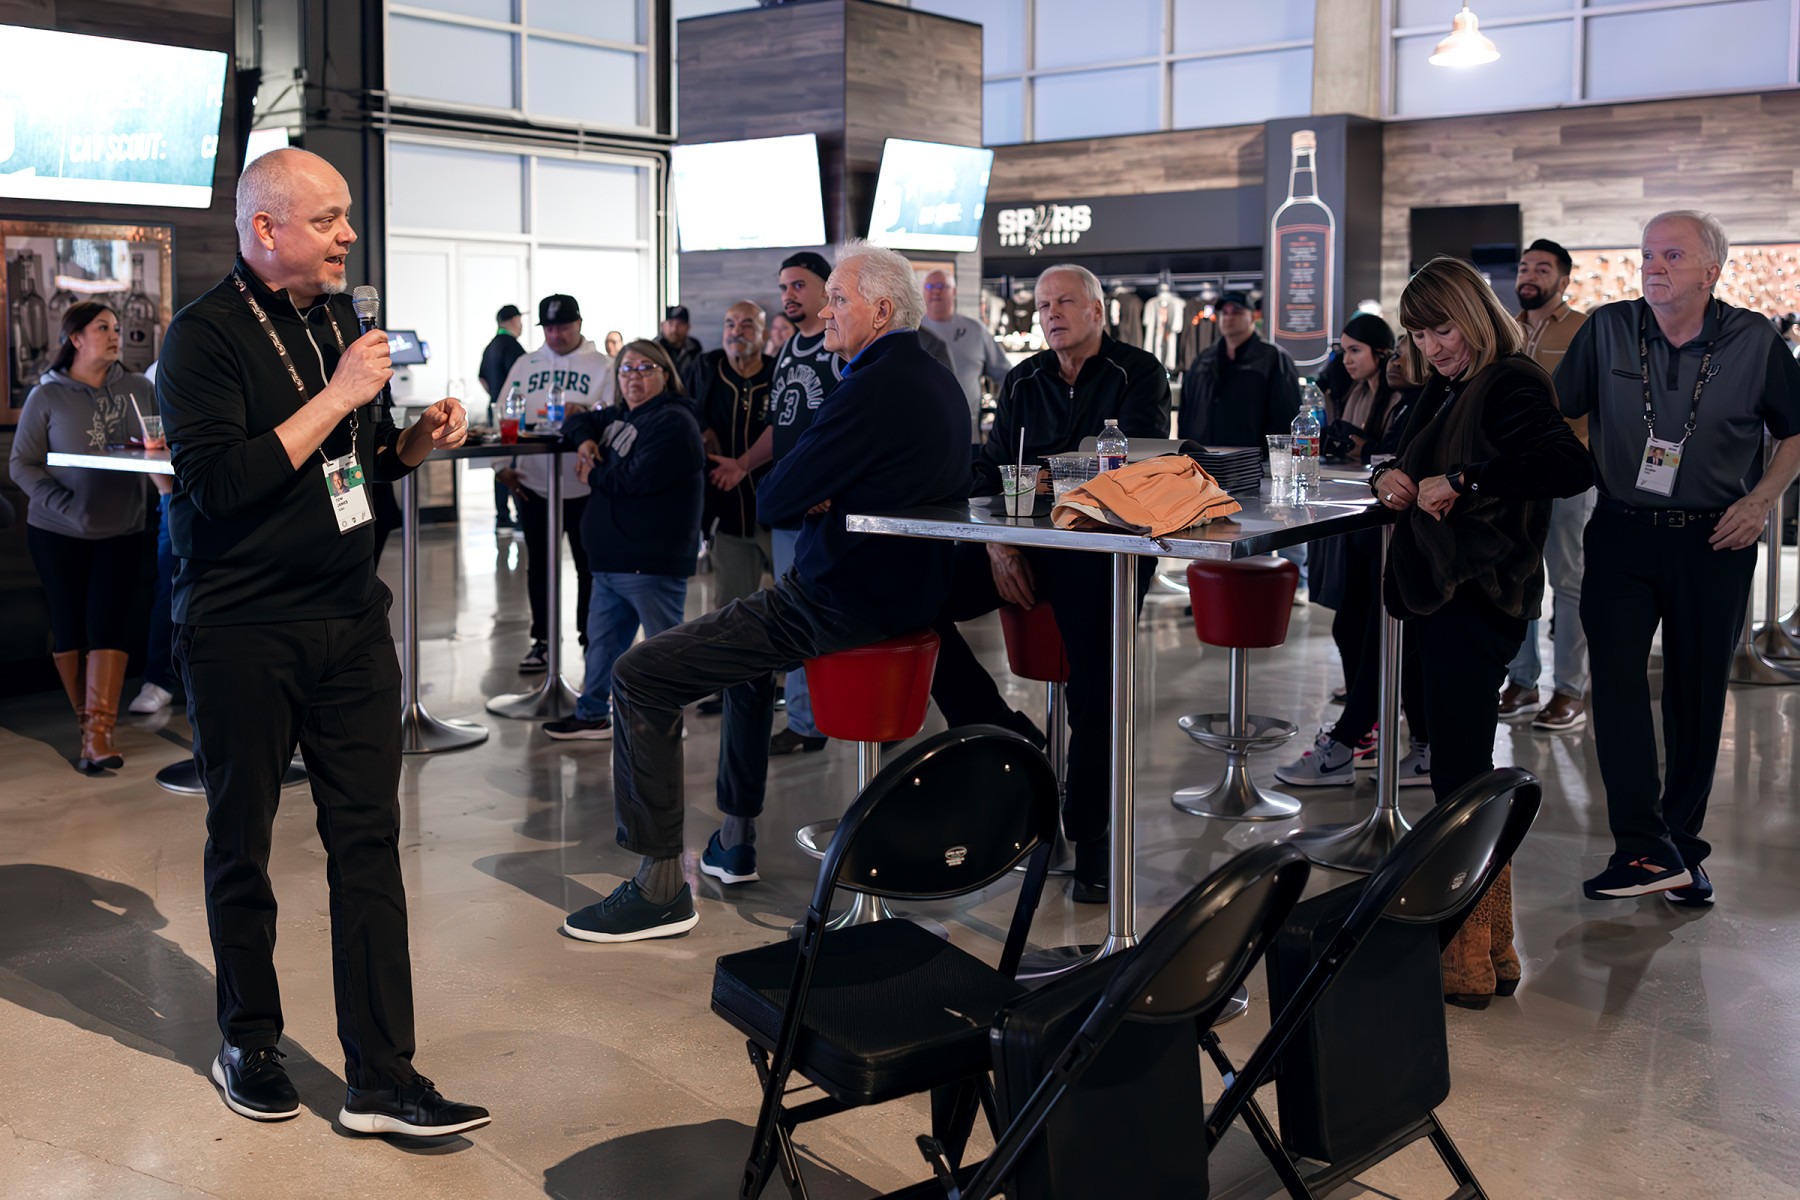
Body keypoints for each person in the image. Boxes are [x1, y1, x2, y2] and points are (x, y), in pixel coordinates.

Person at [156, 147, 486, 1134]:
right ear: (266, 230)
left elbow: (357, 463)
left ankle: (383, 1074)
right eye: (328, 219)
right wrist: (341, 394)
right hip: (243, 629)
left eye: (346, 217)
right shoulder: (201, 338)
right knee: (242, 843)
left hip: (351, 620)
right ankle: (248, 1041)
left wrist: (414, 442)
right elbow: (218, 488)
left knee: (368, 843)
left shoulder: (341, 320)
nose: (348, 235)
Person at [559, 241, 969, 943]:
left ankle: (659, 887)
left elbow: (777, 496)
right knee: (745, 673)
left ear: (880, 310)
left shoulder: (871, 386)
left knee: (639, 673)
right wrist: (823, 485)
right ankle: (735, 840)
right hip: (901, 595)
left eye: (837, 299)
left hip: (836, 603)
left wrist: (821, 486)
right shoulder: (934, 377)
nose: (824, 312)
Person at [1558, 210, 1800, 907]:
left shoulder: (1754, 340)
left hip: (1714, 540)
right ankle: (1641, 846)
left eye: (1671, 255)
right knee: (1616, 684)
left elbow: (1796, 430)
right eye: (1647, 254)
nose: (1653, 266)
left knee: (1696, 696)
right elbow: (1559, 407)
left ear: (1711, 270)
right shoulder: (1608, 328)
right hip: (1621, 532)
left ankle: (1682, 850)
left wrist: (1761, 500)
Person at [1370, 255, 1592, 1008]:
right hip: (1448, 596)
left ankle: (1465, 951)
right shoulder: (1449, 385)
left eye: (1442, 329)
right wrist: (1387, 477)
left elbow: (1567, 465)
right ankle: (1490, 947)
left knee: (1459, 780)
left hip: (1477, 596)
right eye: (1418, 334)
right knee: (1460, 774)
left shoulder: (1509, 380)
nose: (1432, 346)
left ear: (1472, 314)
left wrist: (1463, 481)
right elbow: (1402, 457)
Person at [928, 264, 1171, 903]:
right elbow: (992, 470)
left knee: (1097, 683)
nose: (1052, 314)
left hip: (1102, 550)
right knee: (912, 597)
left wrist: (1050, 478)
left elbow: (1131, 473)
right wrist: (997, 541)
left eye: (1064, 302)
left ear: (1097, 311)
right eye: (1043, 305)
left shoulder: (1137, 373)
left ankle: (1091, 837)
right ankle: (999, 727)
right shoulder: (1024, 378)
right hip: (1025, 542)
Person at [1278, 314, 1437, 791]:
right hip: (1369, 527)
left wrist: (1369, 451)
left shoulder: (1417, 400)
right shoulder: (1373, 393)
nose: (1396, 363)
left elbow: (1394, 458)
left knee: (1385, 638)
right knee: (1358, 627)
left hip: (1402, 535)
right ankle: (1394, 739)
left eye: (1407, 351)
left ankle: (1355, 738)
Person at [9, 301, 157, 771]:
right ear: (75, 338)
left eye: (117, 328)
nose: (115, 336)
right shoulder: (47, 396)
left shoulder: (139, 389)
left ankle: (99, 735)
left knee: (107, 625)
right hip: (57, 531)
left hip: (123, 528)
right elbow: (21, 465)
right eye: (102, 328)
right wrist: (63, 504)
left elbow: (158, 448)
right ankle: (86, 724)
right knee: (70, 626)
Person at [708, 251, 840, 757]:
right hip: (792, 505)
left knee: (829, 612)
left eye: (798, 285)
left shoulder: (839, 344)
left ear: (826, 287)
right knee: (795, 611)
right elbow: (779, 425)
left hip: (829, 507)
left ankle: (848, 715)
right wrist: (743, 464)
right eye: (784, 287)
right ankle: (806, 721)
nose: (788, 295)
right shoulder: (787, 351)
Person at [543, 341, 704, 741]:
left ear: (665, 374)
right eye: (627, 369)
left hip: (651, 560)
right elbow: (578, 420)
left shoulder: (674, 421)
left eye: (645, 368)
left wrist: (591, 474)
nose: (634, 376)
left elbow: (635, 479)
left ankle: (667, 722)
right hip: (611, 558)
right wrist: (585, 442)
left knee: (665, 648)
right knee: (602, 644)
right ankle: (593, 714)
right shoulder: (620, 415)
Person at [1498, 239, 1594, 731]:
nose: (1529, 275)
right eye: (1524, 267)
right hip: (1513, 474)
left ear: (1563, 280)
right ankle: (1522, 681)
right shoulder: (1505, 328)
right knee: (1519, 576)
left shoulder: (1583, 328)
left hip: (1567, 471)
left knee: (1569, 581)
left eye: (1542, 268)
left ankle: (1571, 689)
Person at [493, 294, 614, 672]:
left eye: (563, 326)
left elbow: (615, 415)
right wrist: (501, 466)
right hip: (534, 482)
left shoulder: (603, 366)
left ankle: (591, 638)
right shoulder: (525, 363)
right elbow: (503, 410)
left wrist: (588, 413)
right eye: (549, 328)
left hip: (586, 485)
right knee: (540, 567)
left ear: (579, 324)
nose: (556, 334)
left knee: (590, 566)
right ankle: (543, 641)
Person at [692, 301, 776, 612]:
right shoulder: (707, 371)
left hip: (776, 512)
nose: (736, 331)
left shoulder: (779, 373)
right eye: (730, 324)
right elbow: (682, 404)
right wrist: (702, 428)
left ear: (764, 334)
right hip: (726, 511)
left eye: (747, 325)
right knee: (732, 611)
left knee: (794, 604)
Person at [1176, 290, 1300, 445]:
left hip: (1253, 457)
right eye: (1225, 312)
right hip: (1203, 455)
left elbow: (1287, 415)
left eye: (1236, 312)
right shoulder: (1204, 360)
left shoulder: (1273, 358)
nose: (1229, 317)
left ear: (1252, 317)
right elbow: (1187, 412)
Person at [919, 269, 1013, 443]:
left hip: (968, 434)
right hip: (921, 433)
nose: (935, 291)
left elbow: (1006, 374)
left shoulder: (975, 331)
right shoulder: (911, 332)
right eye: (930, 286)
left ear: (954, 291)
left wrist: (1006, 413)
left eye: (942, 286)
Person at [478, 303, 526, 531]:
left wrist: (496, 397)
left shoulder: (490, 346)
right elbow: (523, 381)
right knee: (515, 460)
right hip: (512, 416)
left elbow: (482, 378)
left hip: (495, 411)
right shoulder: (513, 346)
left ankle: (502, 516)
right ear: (514, 320)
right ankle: (521, 516)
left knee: (499, 461)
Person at [655, 304, 703, 379]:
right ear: (663, 326)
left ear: (688, 327)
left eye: (680, 324)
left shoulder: (694, 347)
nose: (674, 329)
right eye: (670, 323)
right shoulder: (653, 347)